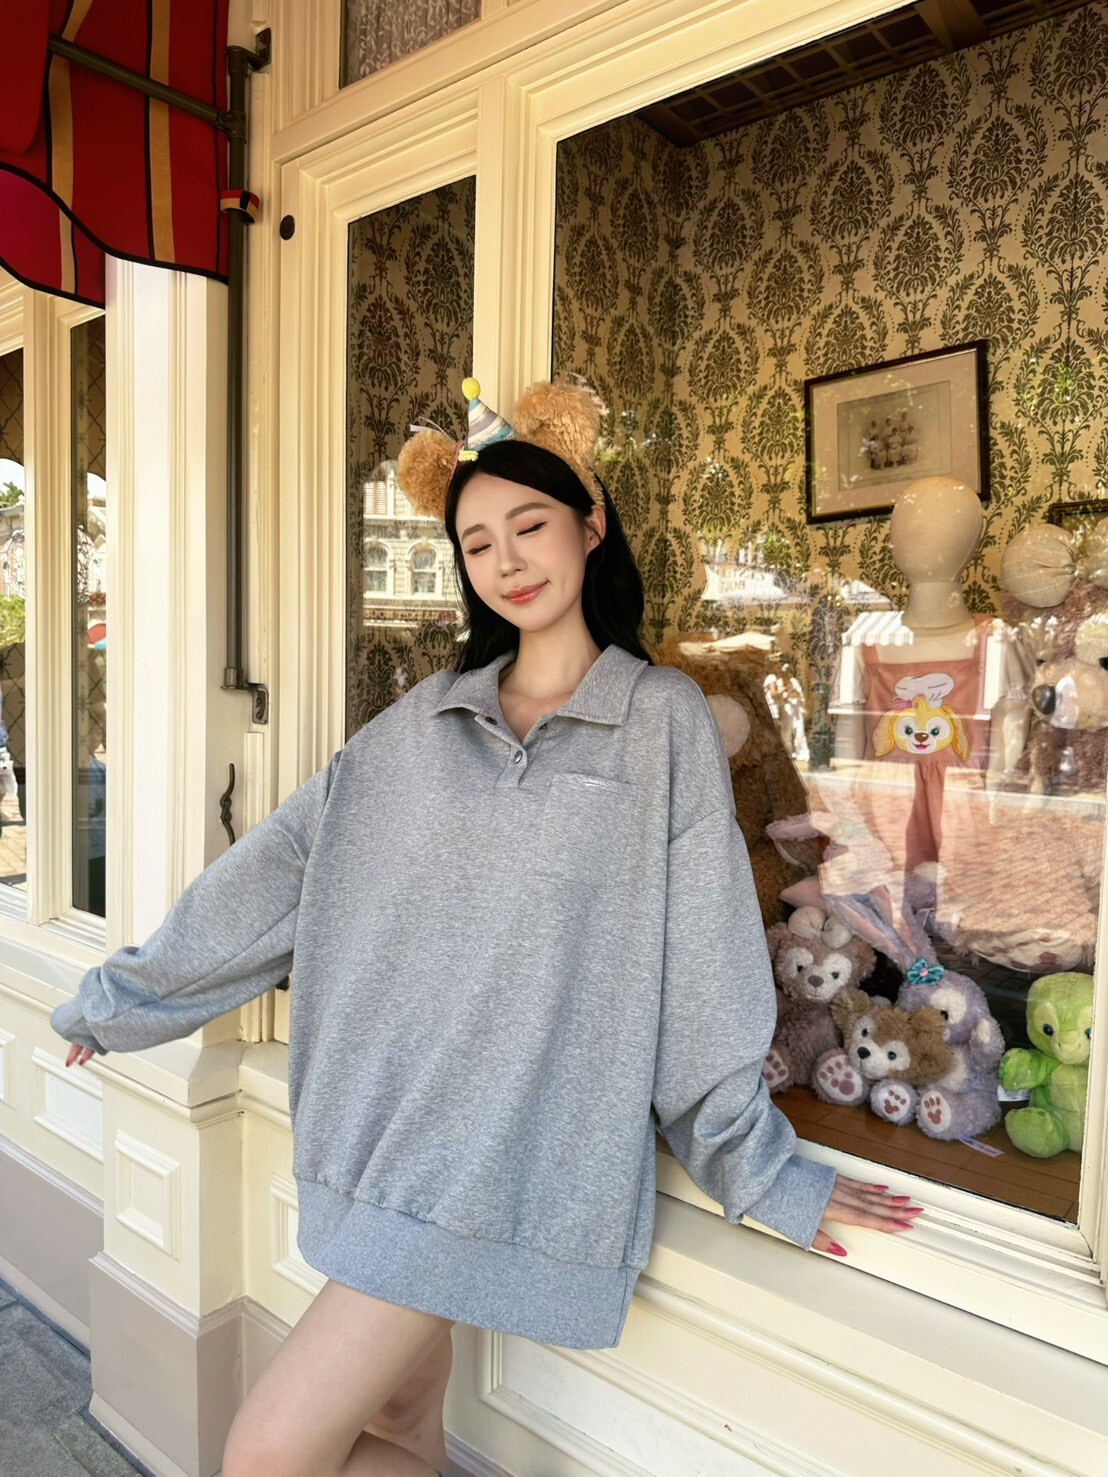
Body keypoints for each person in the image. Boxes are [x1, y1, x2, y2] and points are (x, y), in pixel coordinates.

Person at [53, 377, 922, 1477]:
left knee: (266, 1454)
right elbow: (279, 869)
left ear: (590, 526)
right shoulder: (424, 720)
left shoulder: (657, 718)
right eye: (476, 543)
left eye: (530, 525)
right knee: (397, 1431)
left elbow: (703, 962)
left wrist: (761, 1169)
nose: (507, 560)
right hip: (381, 1133)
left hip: (500, 1161)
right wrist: (128, 999)